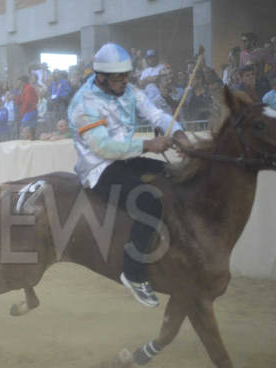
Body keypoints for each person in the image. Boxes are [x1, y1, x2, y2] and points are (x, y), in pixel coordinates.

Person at [68, 42, 191, 308]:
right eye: (118, 77)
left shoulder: (129, 90)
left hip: (126, 159)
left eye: (126, 75)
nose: (124, 81)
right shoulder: (84, 103)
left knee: (175, 174)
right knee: (149, 201)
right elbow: (104, 147)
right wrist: (149, 145)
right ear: (101, 76)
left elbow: (156, 114)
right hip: (98, 168)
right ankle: (133, 273)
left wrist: (179, 134)